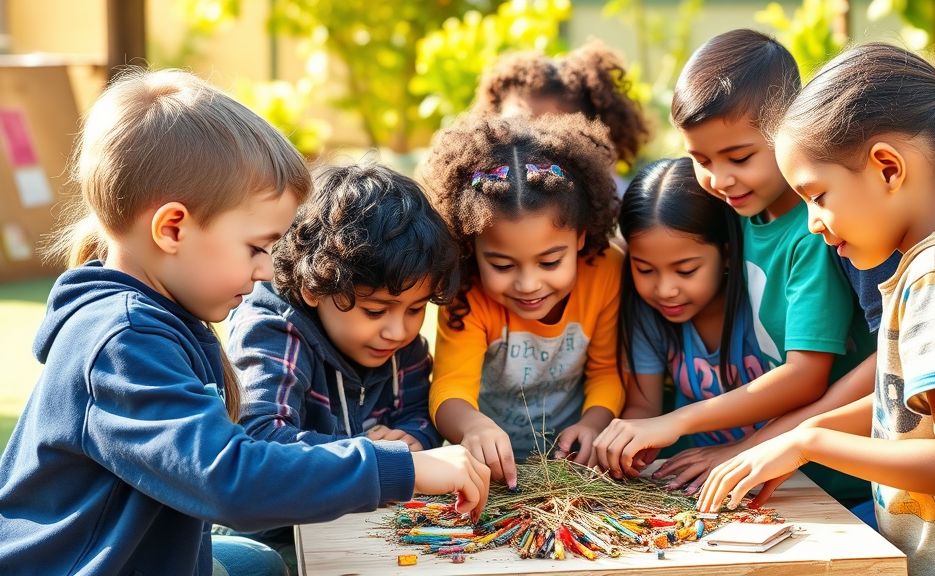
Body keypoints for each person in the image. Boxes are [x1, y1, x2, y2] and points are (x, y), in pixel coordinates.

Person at [0, 67, 489, 576]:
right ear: (172, 228)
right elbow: (227, 476)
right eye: (257, 248)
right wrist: (400, 468)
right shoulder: (123, 339)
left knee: (254, 563)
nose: (264, 271)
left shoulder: (163, 316)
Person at [698, 42, 935, 576]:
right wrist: (791, 445)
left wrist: (809, 440)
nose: (812, 223)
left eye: (818, 195)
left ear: (888, 169)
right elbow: (903, 409)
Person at [595, 29, 878, 514]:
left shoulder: (812, 232)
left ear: (790, 130)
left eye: (740, 157)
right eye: (701, 159)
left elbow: (805, 378)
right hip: (786, 473)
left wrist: (685, 424)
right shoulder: (742, 214)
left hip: (848, 477)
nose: (720, 179)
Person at [223, 160, 458, 572]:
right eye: (375, 310)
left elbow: (423, 414)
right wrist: (385, 460)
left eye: (416, 308)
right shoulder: (275, 330)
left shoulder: (403, 346)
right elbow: (261, 440)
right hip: (271, 536)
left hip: (363, 526)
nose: (397, 331)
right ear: (317, 287)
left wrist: (415, 439)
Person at [423, 112, 625, 489]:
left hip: (573, 473)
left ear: (581, 237)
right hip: (490, 474)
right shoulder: (466, 290)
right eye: (501, 264)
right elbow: (449, 386)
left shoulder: (607, 269)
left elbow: (606, 371)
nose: (529, 284)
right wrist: (472, 426)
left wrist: (593, 425)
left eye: (550, 262)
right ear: (471, 248)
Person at [592, 157, 770, 477]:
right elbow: (644, 407)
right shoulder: (648, 314)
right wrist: (629, 444)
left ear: (727, 253)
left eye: (686, 270)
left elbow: (801, 386)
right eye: (645, 269)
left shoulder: (760, 301)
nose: (665, 290)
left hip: (784, 469)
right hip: (702, 474)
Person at [474, 39, 649, 191]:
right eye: (511, 130)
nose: (527, 149)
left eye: (552, 139)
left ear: (599, 144)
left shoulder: (635, 217)